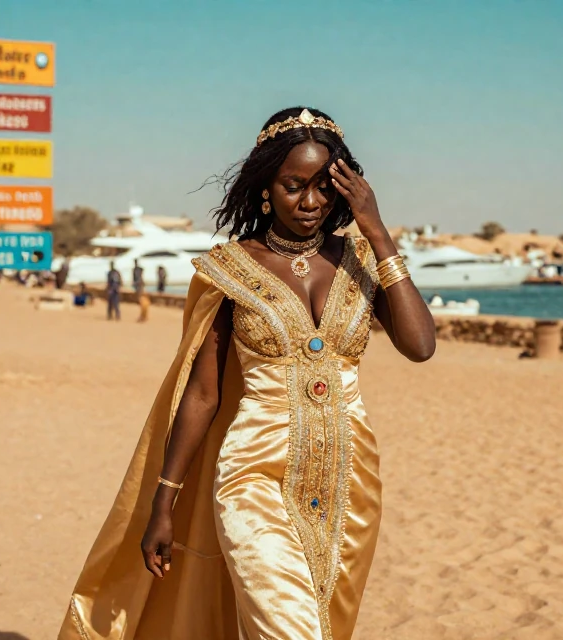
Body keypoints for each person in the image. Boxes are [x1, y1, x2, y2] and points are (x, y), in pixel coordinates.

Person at [60, 107, 437, 640]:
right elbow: (201, 395)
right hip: (253, 475)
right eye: (292, 186)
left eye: (324, 188)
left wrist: (376, 230)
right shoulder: (231, 268)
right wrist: (162, 503)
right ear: (265, 187)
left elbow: (420, 346)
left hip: (351, 481)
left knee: (326, 629)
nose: (310, 203)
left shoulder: (359, 260)